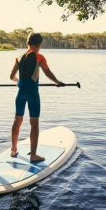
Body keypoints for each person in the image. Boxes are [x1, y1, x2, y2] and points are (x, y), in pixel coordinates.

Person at [9, 33, 64, 162]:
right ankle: (33, 156)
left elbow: (11, 76)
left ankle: (13, 149)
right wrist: (57, 82)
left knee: (17, 120)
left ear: (27, 43)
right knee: (34, 124)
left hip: (20, 94)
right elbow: (47, 72)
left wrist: (20, 83)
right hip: (33, 94)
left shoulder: (18, 57)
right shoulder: (39, 57)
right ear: (39, 44)